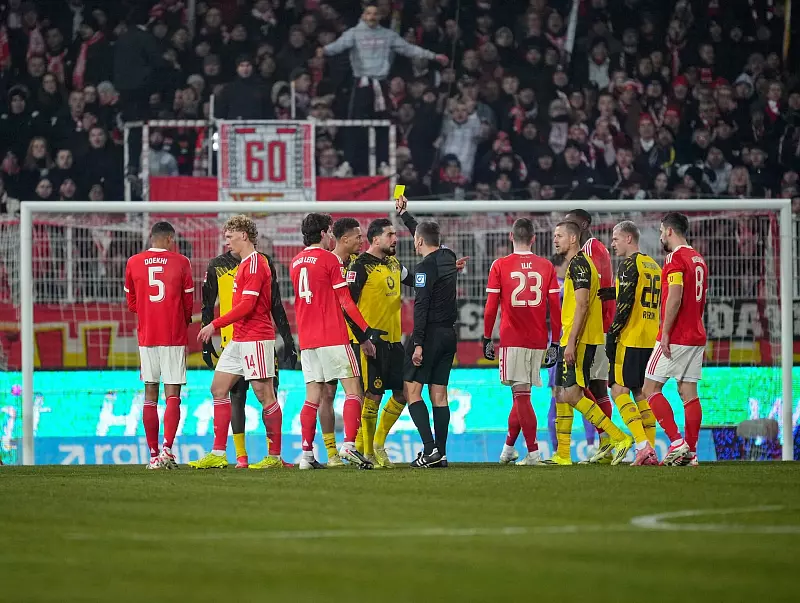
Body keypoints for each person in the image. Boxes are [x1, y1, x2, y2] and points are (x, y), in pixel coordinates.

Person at [290, 213, 386, 470]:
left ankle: (307, 455)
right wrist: (366, 330)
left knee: (312, 397)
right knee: (354, 391)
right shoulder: (329, 259)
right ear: (323, 233)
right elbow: (345, 300)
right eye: (329, 231)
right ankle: (349, 445)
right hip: (332, 335)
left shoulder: (296, 261)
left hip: (307, 340)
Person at [191, 216, 284, 470]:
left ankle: (274, 456)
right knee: (218, 389)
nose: (227, 242)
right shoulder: (245, 264)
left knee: (265, 394)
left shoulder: (255, 264)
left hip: (256, 337)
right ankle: (218, 453)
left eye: (230, 236)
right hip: (238, 338)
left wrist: (214, 324)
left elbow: (247, 305)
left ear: (244, 235)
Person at [317, 2, 447, 173]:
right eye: (368, 13)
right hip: (361, 84)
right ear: (363, 15)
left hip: (380, 85)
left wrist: (434, 56)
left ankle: (383, 163)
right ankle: (348, 162)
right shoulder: (354, 33)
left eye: (375, 14)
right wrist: (323, 50)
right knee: (355, 124)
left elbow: (408, 49)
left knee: (384, 124)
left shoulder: (388, 35)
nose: (372, 17)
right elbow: (337, 46)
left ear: (380, 16)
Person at [550, 221, 633, 466]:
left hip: (580, 339)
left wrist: (572, 342)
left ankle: (618, 437)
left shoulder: (579, 265)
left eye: (559, 236)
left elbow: (583, 304)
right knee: (561, 393)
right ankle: (563, 454)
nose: (555, 240)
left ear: (573, 238)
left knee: (573, 394)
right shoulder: (577, 264)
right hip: (571, 337)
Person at [483, 218, 561, 466]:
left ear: (511, 237)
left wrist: (487, 337)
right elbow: (555, 307)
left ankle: (534, 454)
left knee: (522, 397)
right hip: (538, 338)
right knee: (521, 396)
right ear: (534, 239)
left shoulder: (500, 265)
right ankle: (508, 450)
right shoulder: (546, 266)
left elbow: (491, 307)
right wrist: (555, 342)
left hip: (513, 338)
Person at [124, 221, 193, 469]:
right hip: (173, 335)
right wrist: (181, 319)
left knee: (150, 393)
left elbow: (131, 303)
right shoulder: (182, 262)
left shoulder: (133, 262)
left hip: (147, 336)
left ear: (151, 238)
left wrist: (148, 312)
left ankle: (153, 455)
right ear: (170, 238)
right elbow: (188, 303)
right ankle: (167, 449)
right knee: (172, 394)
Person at [348, 218, 416, 468]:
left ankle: (377, 444)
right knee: (373, 395)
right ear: (375, 239)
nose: (395, 239)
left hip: (394, 340)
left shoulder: (394, 263)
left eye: (395, 234)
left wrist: (444, 269)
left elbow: (416, 280)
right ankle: (367, 454)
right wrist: (363, 338)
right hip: (370, 342)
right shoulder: (359, 266)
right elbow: (347, 305)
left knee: (403, 393)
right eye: (390, 235)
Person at [396, 197, 459, 468]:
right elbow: (424, 235)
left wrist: (418, 343)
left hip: (429, 335)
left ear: (419, 242)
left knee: (411, 390)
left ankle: (430, 449)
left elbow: (420, 306)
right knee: (440, 394)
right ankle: (441, 454)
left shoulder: (424, 268)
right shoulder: (449, 256)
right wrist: (406, 216)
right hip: (449, 336)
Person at [643, 212, 708, 466]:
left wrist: (666, 332)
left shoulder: (675, 258)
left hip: (677, 335)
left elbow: (675, 296)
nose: (661, 236)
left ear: (669, 231)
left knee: (649, 388)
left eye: (661, 231)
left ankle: (676, 442)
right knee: (688, 393)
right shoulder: (698, 259)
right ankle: (690, 453)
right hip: (696, 334)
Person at [563, 209, 617, 462]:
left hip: (595, 328)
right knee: (594, 386)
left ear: (583, 225)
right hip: (597, 327)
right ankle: (607, 442)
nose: (565, 228)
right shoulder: (596, 249)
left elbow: (591, 294)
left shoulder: (591, 251)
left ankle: (611, 438)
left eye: (570, 223)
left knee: (579, 388)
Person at [606, 221, 660, 466]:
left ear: (629, 238)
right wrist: (614, 292)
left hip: (630, 337)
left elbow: (625, 306)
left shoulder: (628, 265)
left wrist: (612, 334)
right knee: (641, 392)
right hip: (650, 337)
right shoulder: (654, 265)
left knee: (618, 390)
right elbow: (638, 295)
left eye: (616, 239)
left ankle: (641, 445)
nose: (612, 244)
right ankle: (650, 451)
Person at [319, 217, 364, 467]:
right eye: (358, 237)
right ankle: (332, 453)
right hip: (333, 337)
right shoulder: (326, 263)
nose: (361, 241)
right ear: (344, 239)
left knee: (360, 393)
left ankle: (358, 446)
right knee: (328, 393)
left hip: (354, 337)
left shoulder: (359, 263)